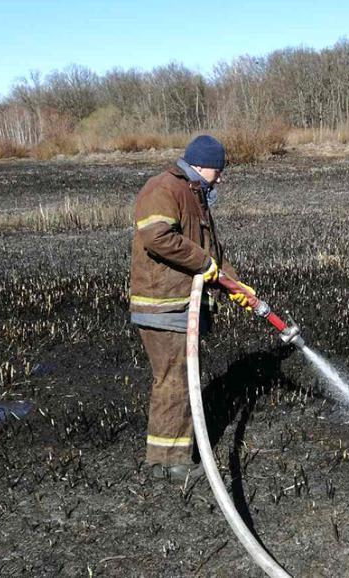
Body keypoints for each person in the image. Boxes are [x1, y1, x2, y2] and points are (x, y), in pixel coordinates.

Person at [129, 135, 253, 482]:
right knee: (174, 381)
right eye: (219, 170)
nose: (221, 178)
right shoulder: (163, 188)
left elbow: (213, 253)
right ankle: (169, 464)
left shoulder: (194, 195)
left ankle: (171, 455)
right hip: (163, 306)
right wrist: (203, 264)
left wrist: (237, 287)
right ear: (201, 165)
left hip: (182, 305)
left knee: (181, 379)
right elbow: (157, 238)